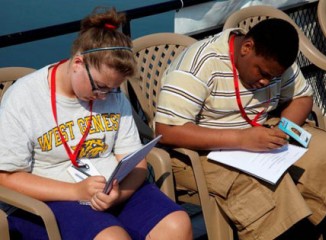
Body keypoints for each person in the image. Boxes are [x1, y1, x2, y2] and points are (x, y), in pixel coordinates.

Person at [0, 7, 192, 240]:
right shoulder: (24, 97)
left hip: (111, 188)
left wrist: (119, 194)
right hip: (52, 196)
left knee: (177, 224)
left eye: (113, 89)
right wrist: (75, 191)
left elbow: (136, 162)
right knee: (111, 237)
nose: (105, 96)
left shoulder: (112, 95)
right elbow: (7, 178)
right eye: (100, 87)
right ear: (78, 63)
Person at [155, 18, 326, 240]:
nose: (265, 82)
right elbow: (167, 130)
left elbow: (301, 97)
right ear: (247, 47)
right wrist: (241, 139)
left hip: (263, 130)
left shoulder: (276, 58)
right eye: (262, 73)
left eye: (274, 77)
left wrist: (284, 129)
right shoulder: (199, 65)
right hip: (203, 148)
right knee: (266, 189)